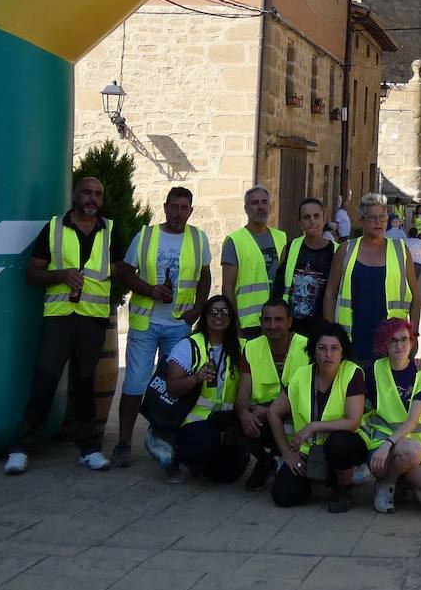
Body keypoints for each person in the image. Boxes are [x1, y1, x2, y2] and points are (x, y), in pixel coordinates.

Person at [4, 176, 124, 476]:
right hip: (59, 317)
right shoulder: (55, 227)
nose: (92, 198)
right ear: (75, 195)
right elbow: (31, 274)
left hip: (93, 319)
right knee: (44, 382)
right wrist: (60, 276)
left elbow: (121, 272)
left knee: (85, 386)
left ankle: (89, 449)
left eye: (98, 193)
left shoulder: (110, 231)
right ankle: (20, 448)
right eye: (86, 192)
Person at [112, 186, 211, 468]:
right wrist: (150, 290)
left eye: (184, 208)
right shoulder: (145, 236)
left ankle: (166, 439)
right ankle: (124, 442)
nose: (178, 213)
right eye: (174, 207)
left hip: (179, 325)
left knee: (175, 386)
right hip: (146, 323)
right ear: (165, 206)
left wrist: (197, 310)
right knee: (134, 383)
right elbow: (125, 273)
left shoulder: (198, 238)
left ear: (190, 211)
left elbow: (205, 276)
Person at [268, 321, 368, 513]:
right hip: (308, 451)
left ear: (342, 351)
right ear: (314, 351)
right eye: (322, 348)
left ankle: (344, 487)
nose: (328, 354)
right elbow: (274, 412)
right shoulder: (302, 374)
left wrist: (313, 426)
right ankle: (317, 479)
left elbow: (353, 422)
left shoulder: (351, 373)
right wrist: (287, 454)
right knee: (283, 496)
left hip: (345, 444)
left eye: (334, 348)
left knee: (340, 444)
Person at [361, 318, 421, 516]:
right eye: (393, 340)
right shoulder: (373, 370)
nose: (399, 345)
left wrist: (389, 443)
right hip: (381, 451)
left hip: (414, 449)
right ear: (384, 345)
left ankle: (406, 481)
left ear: (412, 343)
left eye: (404, 339)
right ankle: (387, 484)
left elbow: (413, 420)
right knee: (411, 449)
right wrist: (384, 445)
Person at [323, 193, 419, 374]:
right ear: (361, 219)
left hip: (392, 344)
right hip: (352, 342)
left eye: (382, 217)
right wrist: (330, 336)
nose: (378, 222)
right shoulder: (346, 250)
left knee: (386, 398)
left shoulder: (401, 251)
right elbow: (330, 294)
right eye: (372, 218)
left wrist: (414, 335)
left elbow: (416, 297)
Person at [163, 294, 247, 484]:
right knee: (203, 444)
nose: (219, 315)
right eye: (213, 311)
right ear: (205, 316)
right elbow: (172, 388)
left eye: (224, 311)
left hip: (226, 419)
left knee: (231, 472)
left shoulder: (243, 347)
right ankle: (174, 455)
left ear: (232, 317)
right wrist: (195, 378)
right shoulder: (190, 345)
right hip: (194, 420)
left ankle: (204, 464)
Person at [236, 298, 308, 491]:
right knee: (235, 423)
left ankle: (284, 460)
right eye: (267, 320)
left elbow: (311, 398)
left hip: (298, 425)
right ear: (261, 322)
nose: (272, 325)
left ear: (290, 322)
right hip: (265, 421)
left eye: (278, 320)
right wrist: (243, 412)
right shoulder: (251, 347)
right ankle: (266, 462)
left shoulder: (307, 347)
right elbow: (243, 393)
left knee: (286, 491)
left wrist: (267, 410)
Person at [222, 186, 289, 338]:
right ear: (246, 208)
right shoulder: (235, 241)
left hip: (278, 321)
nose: (260, 207)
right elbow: (227, 289)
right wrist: (234, 325)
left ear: (270, 207)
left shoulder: (282, 238)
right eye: (255, 203)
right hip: (249, 324)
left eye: (264, 202)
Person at [277, 198, 338, 336]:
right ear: (300, 223)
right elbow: (278, 288)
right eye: (306, 217)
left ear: (324, 219)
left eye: (316, 216)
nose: (312, 221)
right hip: (291, 329)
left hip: (321, 329)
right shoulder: (290, 248)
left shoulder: (336, 251)